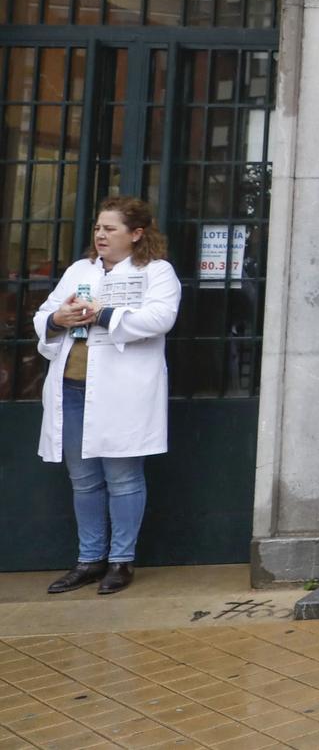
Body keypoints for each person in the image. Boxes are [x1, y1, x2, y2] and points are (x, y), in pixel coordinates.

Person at [34, 197, 181, 596]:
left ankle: (120, 561)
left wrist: (101, 314)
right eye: (98, 228)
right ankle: (89, 560)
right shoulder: (80, 271)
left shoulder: (156, 272)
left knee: (123, 477)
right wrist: (56, 319)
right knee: (83, 480)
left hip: (123, 391)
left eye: (110, 228)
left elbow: (159, 318)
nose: (100, 235)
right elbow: (43, 314)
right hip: (72, 387)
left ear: (136, 234)